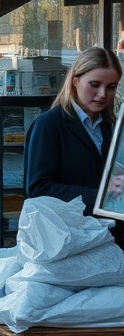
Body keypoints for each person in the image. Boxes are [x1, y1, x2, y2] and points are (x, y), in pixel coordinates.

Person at [25, 46, 122, 215]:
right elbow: (38, 189)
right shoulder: (49, 125)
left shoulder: (111, 126)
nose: (102, 94)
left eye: (111, 87)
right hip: (68, 234)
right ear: (75, 80)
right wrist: (101, 195)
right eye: (94, 85)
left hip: (110, 233)